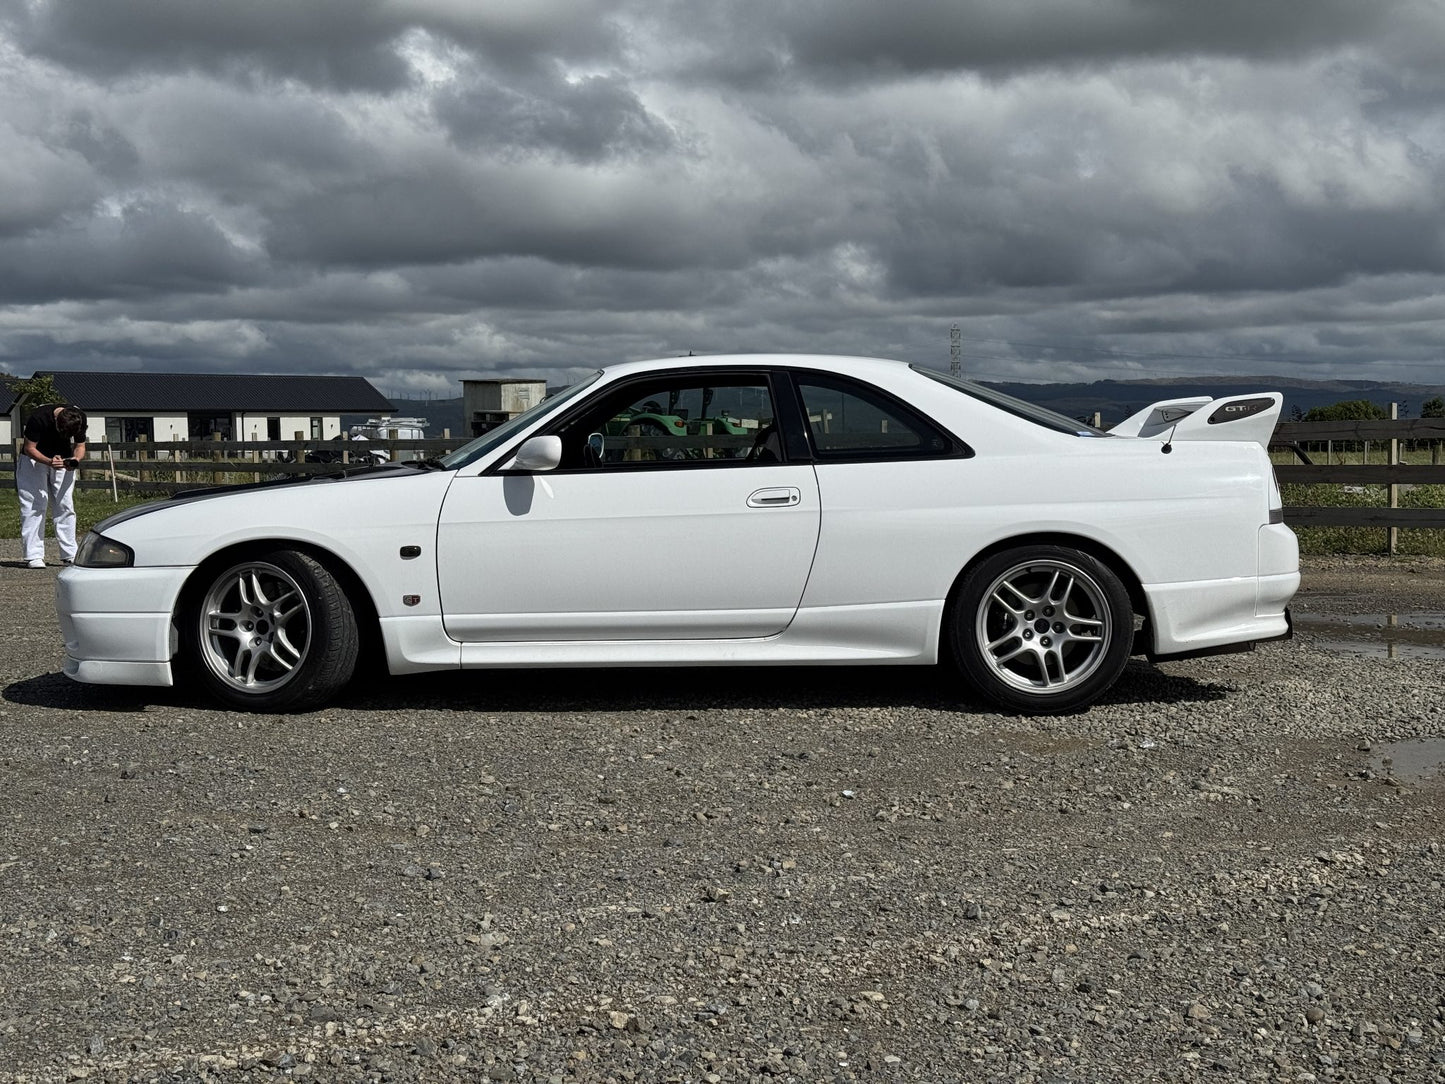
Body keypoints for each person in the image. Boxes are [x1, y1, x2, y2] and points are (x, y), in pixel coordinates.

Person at [18, 403, 88, 569]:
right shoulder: (38, 418)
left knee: (65, 505)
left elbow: (80, 446)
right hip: (34, 460)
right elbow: (29, 448)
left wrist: (75, 460)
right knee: (34, 505)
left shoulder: (79, 418)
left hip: (63, 460)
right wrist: (49, 462)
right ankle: (33, 555)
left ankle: (70, 553)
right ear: (56, 420)